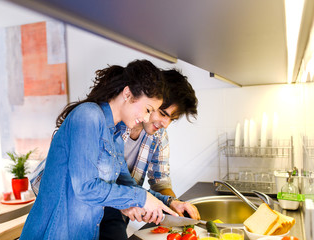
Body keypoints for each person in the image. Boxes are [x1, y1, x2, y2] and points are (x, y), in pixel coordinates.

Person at [20, 60, 178, 240]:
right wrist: (141, 199)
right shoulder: (88, 116)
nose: (146, 117)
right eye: (147, 109)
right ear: (127, 94)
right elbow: (86, 188)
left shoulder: (115, 136)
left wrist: (167, 203)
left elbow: (127, 185)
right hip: (54, 233)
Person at [99, 69, 200, 239]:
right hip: (92, 212)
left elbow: (160, 183)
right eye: (163, 113)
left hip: (119, 213)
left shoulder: (158, 136)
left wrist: (172, 207)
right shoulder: (111, 125)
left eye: (172, 119)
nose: (165, 124)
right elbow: (93, 187)